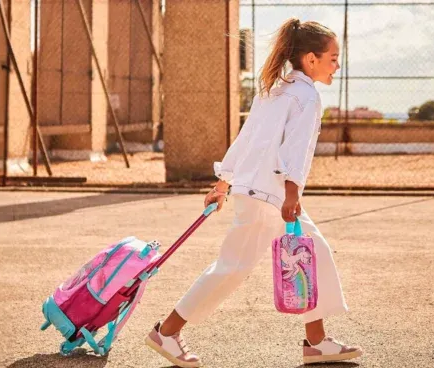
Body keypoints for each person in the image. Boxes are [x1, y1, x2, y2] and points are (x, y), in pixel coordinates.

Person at [144, 17, 363, 367]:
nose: (337, 65)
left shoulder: (273, 90)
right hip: (272, 197)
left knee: (314, 252)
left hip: (263, 192)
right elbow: (295, 150)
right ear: (310, 59)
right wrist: (291, 193)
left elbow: (245, 139)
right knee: (233, 267)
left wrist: (223, 182)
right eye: (333, 57)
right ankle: (167, 331)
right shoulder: (305, 96)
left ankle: (317, 342)